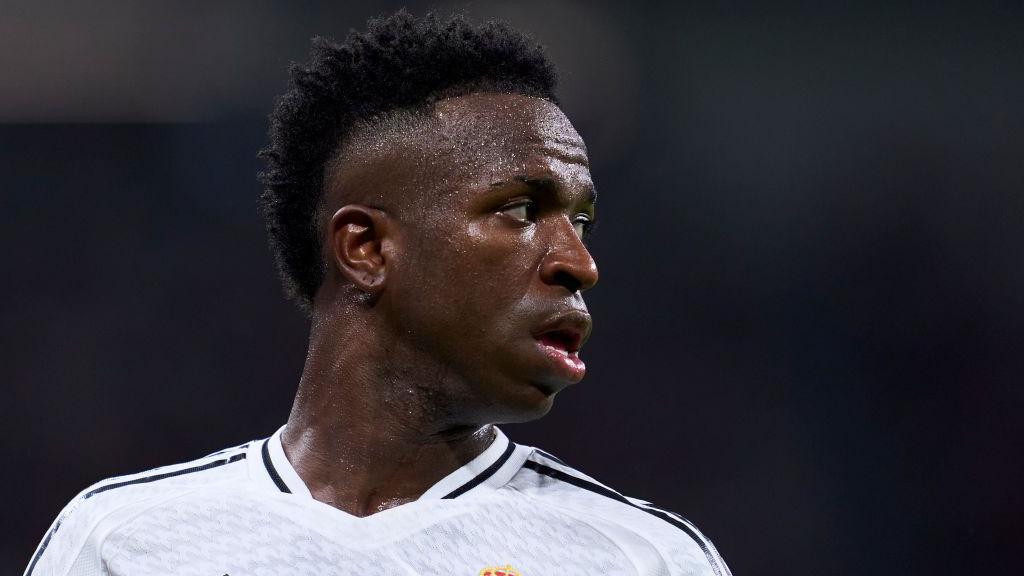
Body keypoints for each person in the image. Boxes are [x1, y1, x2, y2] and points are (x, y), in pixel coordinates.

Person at [25, 11, 731, 576]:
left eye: (581, 223)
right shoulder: (126, 543)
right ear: (365, 249)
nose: (580, 263)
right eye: (520, 210)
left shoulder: (640, 558)